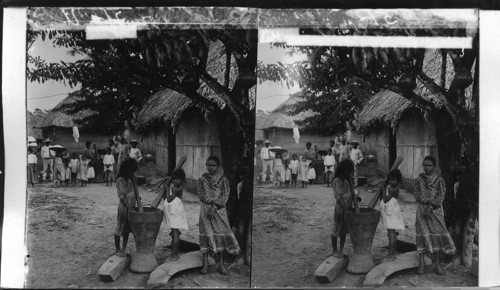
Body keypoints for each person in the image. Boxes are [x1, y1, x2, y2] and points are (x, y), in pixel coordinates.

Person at [198, 156, 240, 275]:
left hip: (219, 211)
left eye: (213, 165)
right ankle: (205, 264)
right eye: (208, 165)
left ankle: (221, 264)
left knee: (220, 236)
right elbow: (201, 195)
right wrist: (211, 203)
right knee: (206, 235)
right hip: (205, 211)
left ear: (218, 166)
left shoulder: (223, 180)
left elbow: (224, 197)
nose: (210, 167)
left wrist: (215, 207)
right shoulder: (202, 179)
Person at [415, 156, 456, 275]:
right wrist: (427, 203)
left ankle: (437, 265)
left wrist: (431, 206)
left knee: (436, 237)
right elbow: (417, 195)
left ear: (434, 167)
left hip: (435, 212)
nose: (426, 167)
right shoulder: (418, 180)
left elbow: (440, 198)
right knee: (422, 236)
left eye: (429, 165)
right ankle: (421, 265)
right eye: (424, 165)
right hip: (422, 212)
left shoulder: (439, 180)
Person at [114, 158, 140, 257]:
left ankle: (124, 248)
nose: (132, 173)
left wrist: (137, 198)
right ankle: (117, 249)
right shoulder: (120, 180)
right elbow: (122, 196)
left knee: (127, 230)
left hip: (132, 207)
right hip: (124, 208)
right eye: (130, 171)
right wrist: (129, 207)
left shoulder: (130, 180)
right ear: (126, 170)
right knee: (120, 228)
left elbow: (133, 192)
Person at [161, 169, 189, 261]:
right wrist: (166, 189)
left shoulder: (177, 189)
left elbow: (169, 200)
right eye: (173, 179)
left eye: (177, 179)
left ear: (182, 180)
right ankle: (175, 253)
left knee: (175, 233)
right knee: (174, 233)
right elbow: (166, 198)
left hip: (175, 212)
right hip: (172, 211)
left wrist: (166, 188)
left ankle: (173, 255)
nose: (174, 181)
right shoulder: (174, 187)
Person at [331, 159, 355, 258]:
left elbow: (352, 194)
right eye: (348, 171)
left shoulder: (347, 181)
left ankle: (341, 249)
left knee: (344, 230)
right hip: (340, 209)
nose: (350, 173)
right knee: (337, 229)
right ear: (343, 171)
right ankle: (335, 250)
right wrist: (345, 208)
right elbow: (338, 197)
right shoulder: (336, 181)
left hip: (348, 208)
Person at [380, 169, 405, 261]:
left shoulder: (393, 189)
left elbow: (385, 200)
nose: (391, 181)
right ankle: (393, 253)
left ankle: (390, 256)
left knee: (391, 235)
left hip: (391, 213)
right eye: (390, 179)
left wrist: (383, 189)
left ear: (398, 181)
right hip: (392, 211)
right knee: (393, 234)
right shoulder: (394, 186)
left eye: (393, 180)